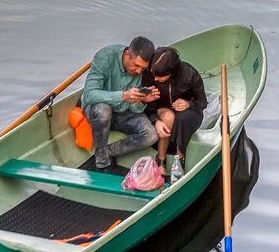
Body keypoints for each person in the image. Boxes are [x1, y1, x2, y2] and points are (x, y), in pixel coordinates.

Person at [81, 36, 159, 172]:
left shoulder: (139, 71)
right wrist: (122, 96)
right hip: (98, 113)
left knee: (151, 135)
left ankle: (109, 151)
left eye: (143, 68)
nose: (139, 71)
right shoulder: (105, 57)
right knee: (103, 110)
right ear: (127, 53)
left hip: (124, 113)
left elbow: (135, 109)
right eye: (136, 65)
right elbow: (89, 94)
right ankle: (102, 160)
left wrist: (142, 100)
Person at [142, 46, 207, 174]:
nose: (155, 79)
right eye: (153, 74)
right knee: (168, 118)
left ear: (171, 72)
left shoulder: (190, 74)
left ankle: (180, 158)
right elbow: (148, 106)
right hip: (162, 110)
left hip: (189, 112)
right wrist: (156, 121)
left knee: (183, 118)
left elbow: (203, 102)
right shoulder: (150, 73)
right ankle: (161, 159)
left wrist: (188, 104)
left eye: (159, 76)